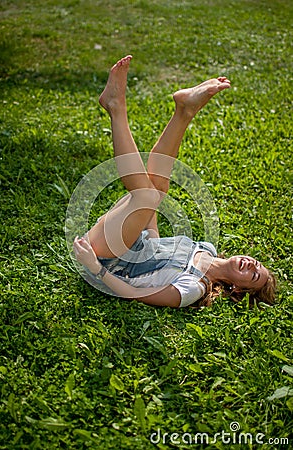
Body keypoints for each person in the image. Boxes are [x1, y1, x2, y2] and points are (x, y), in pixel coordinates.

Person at [73, 55, 276, 308]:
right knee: (156, 191)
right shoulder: (206, 248)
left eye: (253, 276)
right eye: (257, 264)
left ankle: (116, 106)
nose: (252, 265)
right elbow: (153, 244)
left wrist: (95, 269)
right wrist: (153, 207)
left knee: (147, 196)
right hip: (127, 239)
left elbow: (137, 294)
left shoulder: (194, 288)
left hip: (105, 259)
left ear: (237, 290)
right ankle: (185, 110)